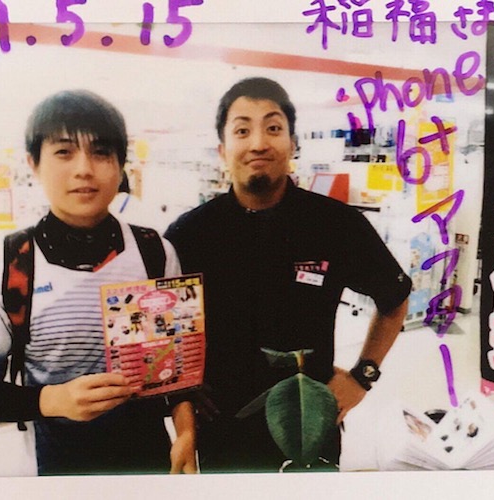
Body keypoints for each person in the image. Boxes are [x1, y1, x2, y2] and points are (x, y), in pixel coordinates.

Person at [164, 77, 411, 472]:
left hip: (310, 427)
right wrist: (183, 402)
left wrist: (362, 377)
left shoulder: (334, 224)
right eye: (242, 130)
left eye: (273, 127)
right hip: (222, 429)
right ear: (222, 149)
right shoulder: (189, 234)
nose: (258, 143)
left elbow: (394, 300)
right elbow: (166, 333)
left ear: (293, 143)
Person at [0, 90, 197, 475]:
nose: (84, 169)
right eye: (64, 152)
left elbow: (174, 366)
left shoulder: (155, 253)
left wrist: (185, 431)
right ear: (33, 164)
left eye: (100, 152)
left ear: (121, 165)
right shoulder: (6, 265)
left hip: (150, 463)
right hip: (56, 468)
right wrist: (53, 400)